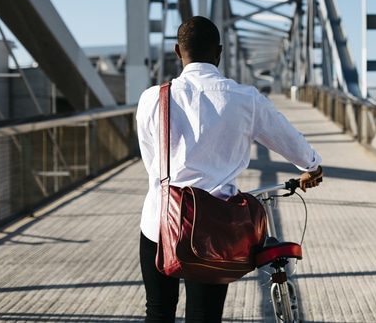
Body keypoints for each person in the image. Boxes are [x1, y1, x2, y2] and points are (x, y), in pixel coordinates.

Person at [136, 16, 323, 322]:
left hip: (159, 220)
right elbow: (290, 141)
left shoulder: (152, 99)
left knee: (158, 310)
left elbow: (151, 161)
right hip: (214, 229)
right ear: (219, 52)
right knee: (204, 316)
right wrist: (311, 166)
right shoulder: (245, 99)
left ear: (176, 51)